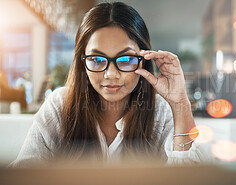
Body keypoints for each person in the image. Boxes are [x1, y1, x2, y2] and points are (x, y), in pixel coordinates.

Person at [10, 2, 209, 167]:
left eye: (125, 60)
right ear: (83, 62)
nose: (111, 74)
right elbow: (25, 174)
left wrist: (180, 101)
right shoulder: (59, 106)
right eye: (97, 59)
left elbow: (188, 178)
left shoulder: (161, 112)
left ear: (144, 59)